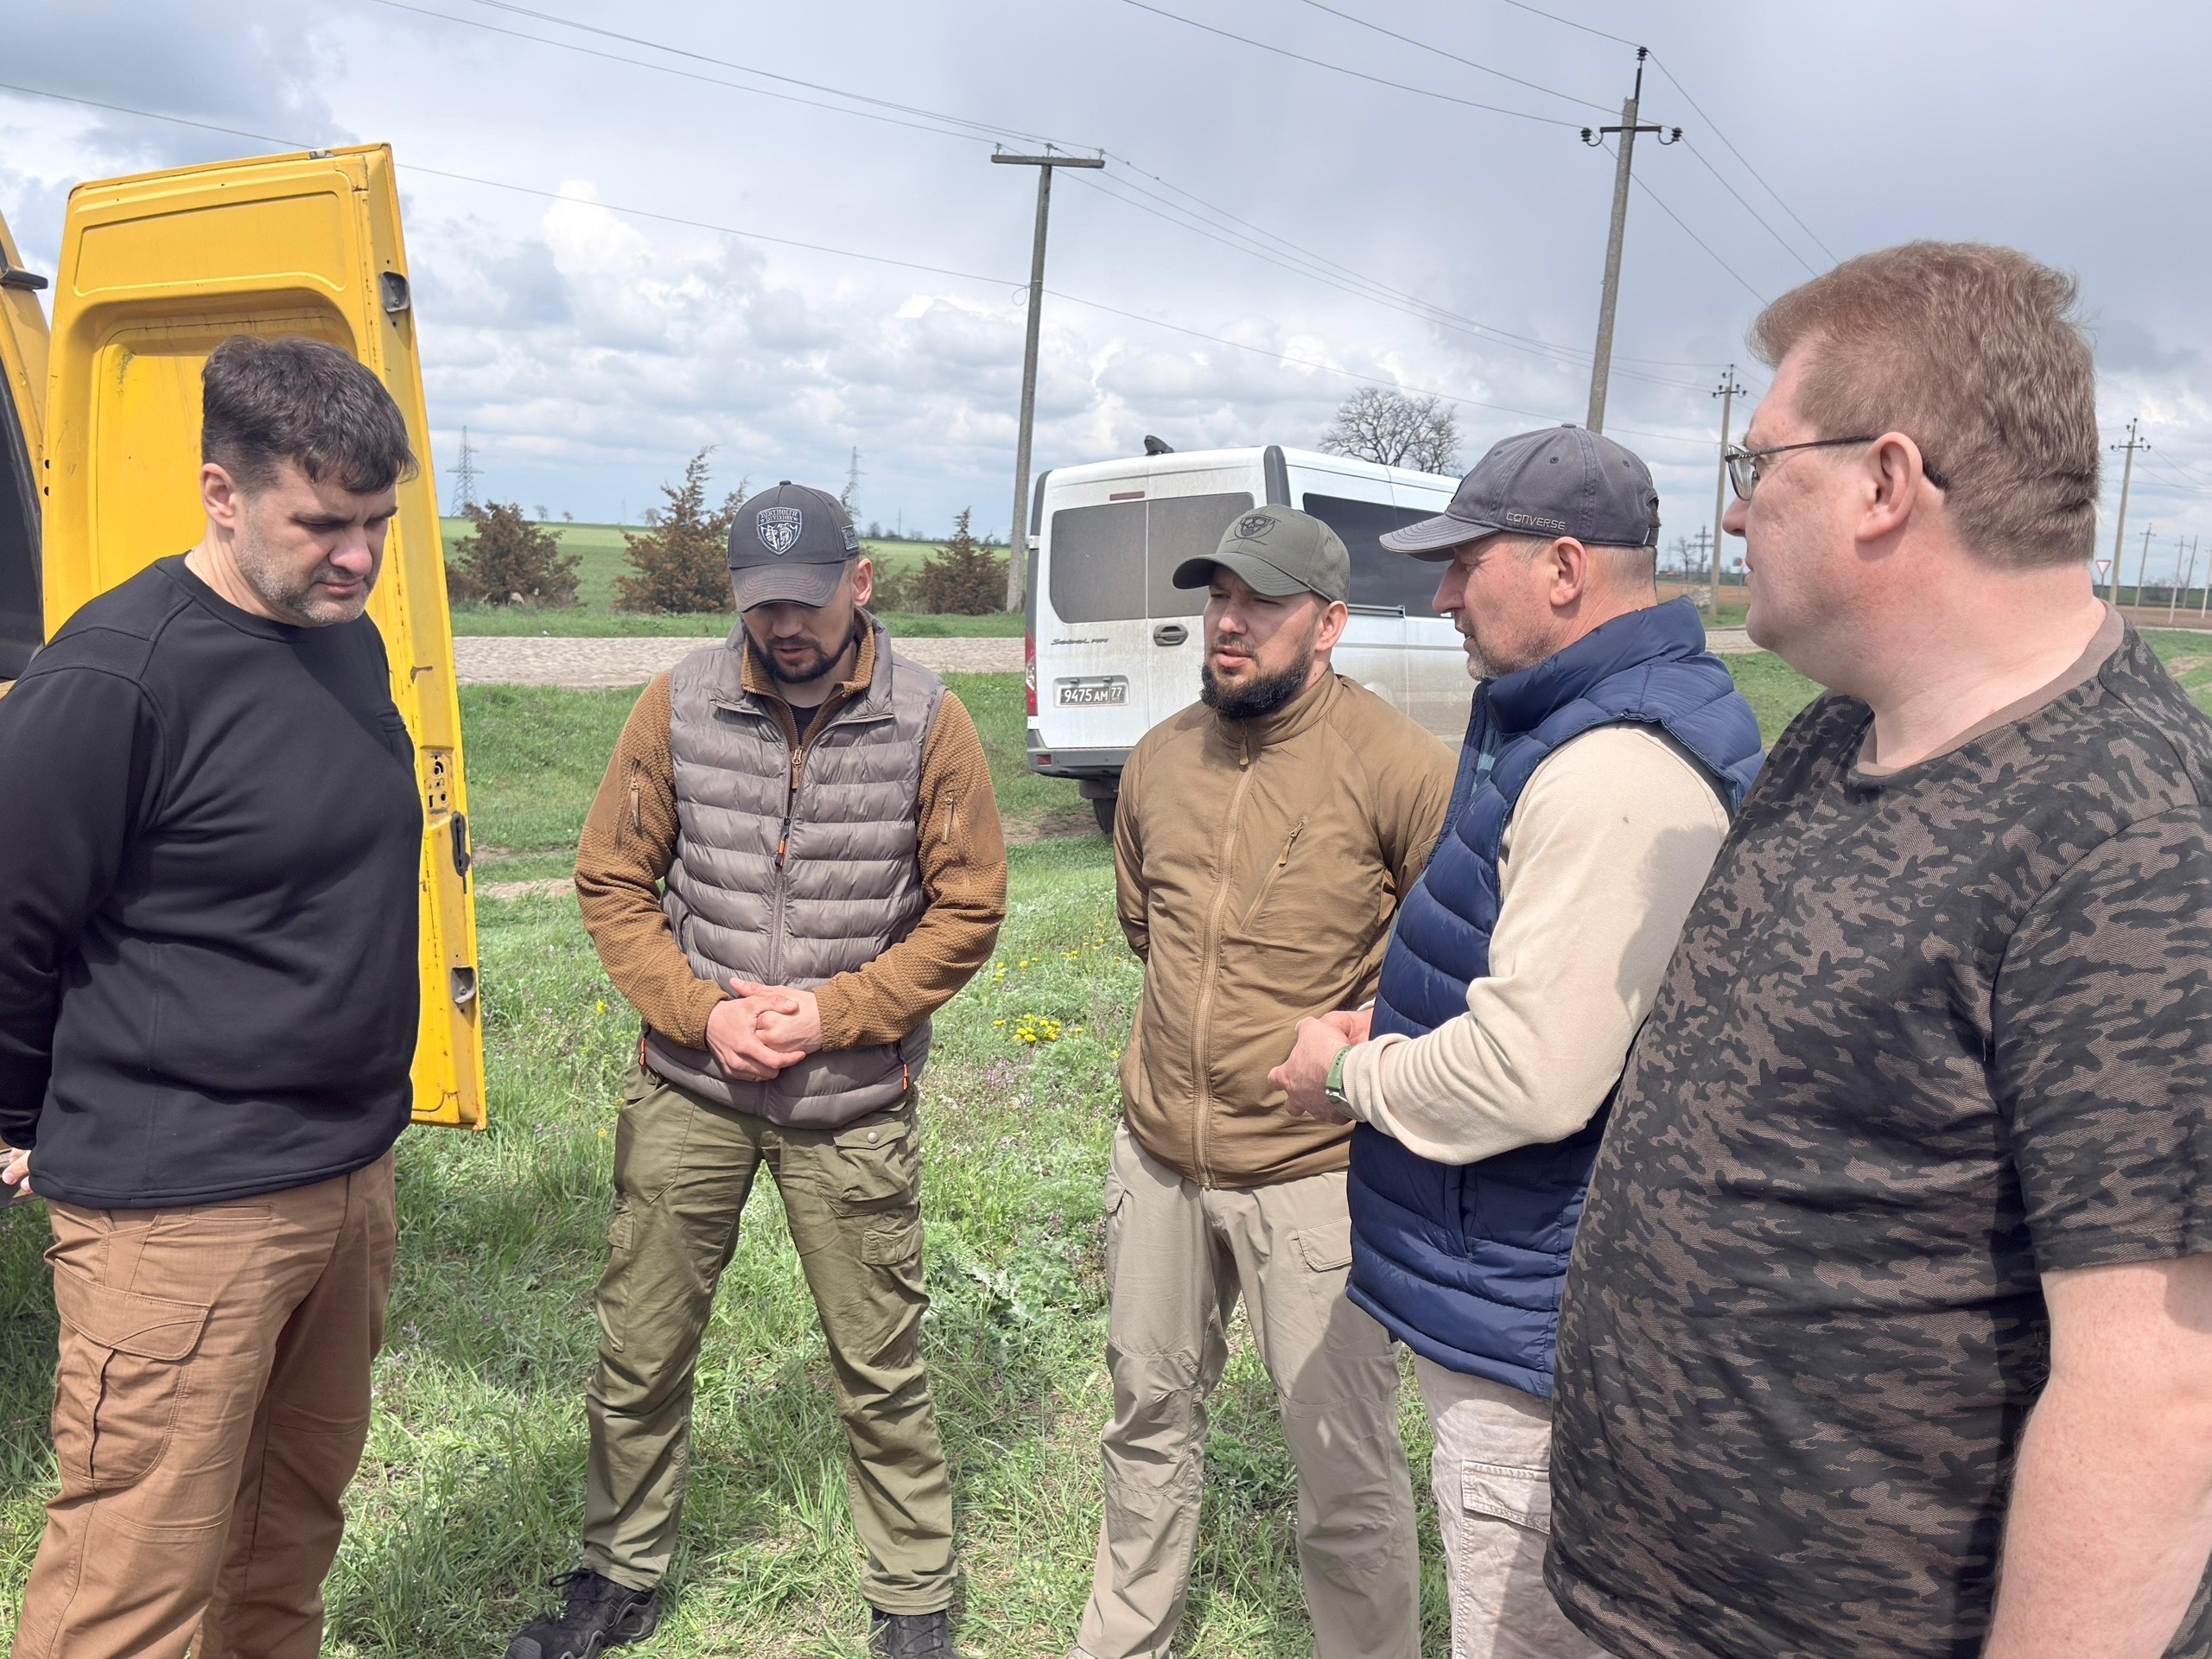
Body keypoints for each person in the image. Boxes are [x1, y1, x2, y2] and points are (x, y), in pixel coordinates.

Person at [1546, 242, 2212, 1659]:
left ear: (1885, 483)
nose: (1730, 516)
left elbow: (2164, 1395)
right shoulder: (1833, 737)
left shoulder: (2135, 839)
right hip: (1644, 1605)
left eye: (1758, 460)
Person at [1271, 426, 1764, 1659]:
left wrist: (1346, 1072)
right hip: (1516, 1290)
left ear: (1560, 568)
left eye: (1463, 564)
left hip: (1541, 1323)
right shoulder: (1562, 723)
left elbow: (1528, 1074)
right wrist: (1390, 1021)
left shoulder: (1611, 770)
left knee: (1517, 1625)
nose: (1440, 595)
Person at [508, 482, 1007, 1659]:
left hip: (851, 1103)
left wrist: (838, 1013)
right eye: (761, 603)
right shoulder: (677, 703)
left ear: (862, 584)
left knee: (880, 1361)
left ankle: (914, 1599)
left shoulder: (930, 719)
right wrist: (697, 1014)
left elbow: (968, 907)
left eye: (808, 600)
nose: (785, 625)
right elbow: (611, 880)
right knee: (641, 1344)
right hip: (692, 1091)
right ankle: (618, 1573)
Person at [0, 334, 423, 1659]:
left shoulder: (338, 640)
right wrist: (15, 1116)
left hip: (344, 1175)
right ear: (220, 494)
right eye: (322, 525)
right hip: (177, 1205)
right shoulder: (116, 674)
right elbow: (13, 921)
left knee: (282, 1543)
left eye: (378, 525)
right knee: (132, 1580)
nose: (355, 557)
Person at [1068, 505, 1452, 1659]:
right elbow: (1149, 927)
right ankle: (1127, 1639)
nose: (1228, 625)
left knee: (1343, 1465)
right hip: (1160, 1162)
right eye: (1217, 598)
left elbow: (1452, 976)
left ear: (1327, 624)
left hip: (1315, 1173)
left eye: (1261, 603)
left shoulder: (1401, 769)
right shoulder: (1160, 759)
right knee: (1145, 1423)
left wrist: (1356, 1047)